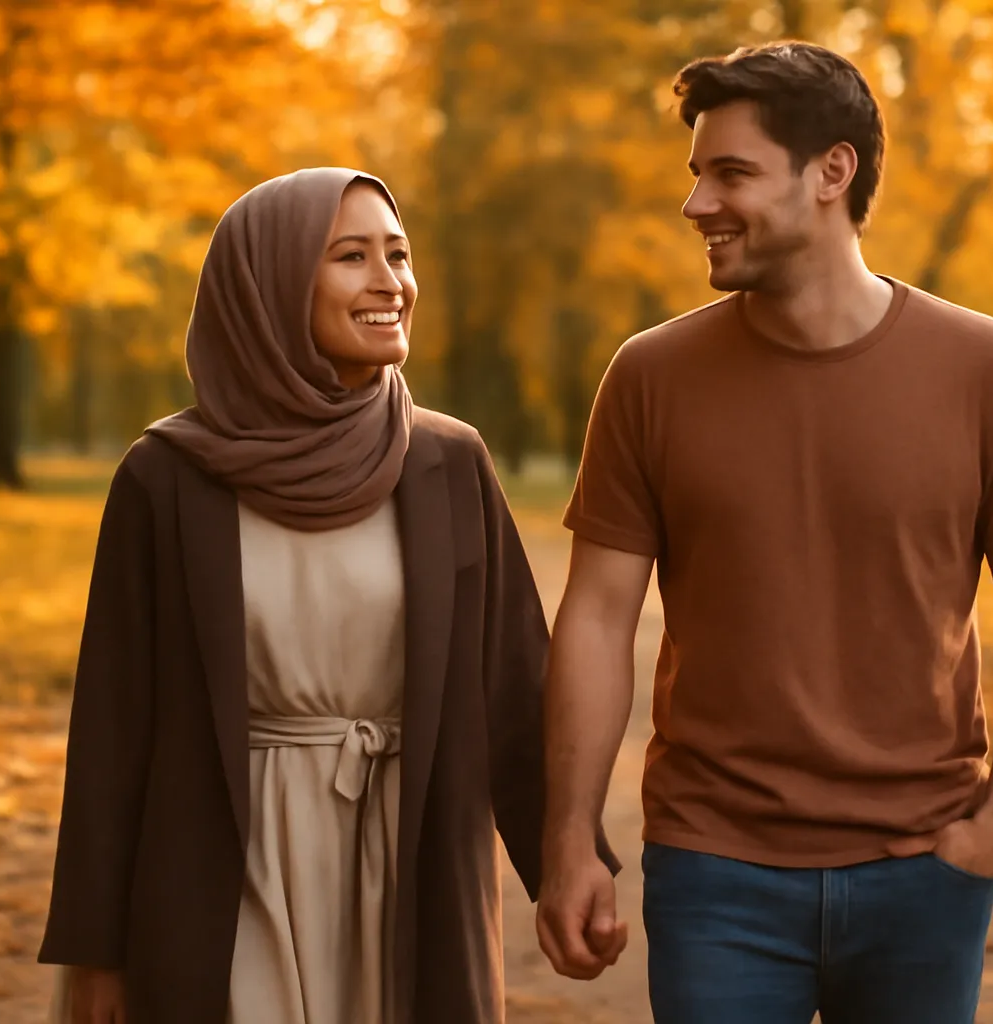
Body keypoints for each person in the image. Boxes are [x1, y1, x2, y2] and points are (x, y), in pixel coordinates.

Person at [536, 42, 993, 1024]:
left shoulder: (990, 369)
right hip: (713, 870)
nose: (697, 203)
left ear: (832, 172)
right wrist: (570, 837)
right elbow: (596, 618)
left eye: (731, 173)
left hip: (924, 871)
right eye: (697, 174)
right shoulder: (649, 378)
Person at [37, 167, 611, 1024]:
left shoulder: (447, 463)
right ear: (267, 284)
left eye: (399, 254)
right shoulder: (165, 479)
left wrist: (570, 865)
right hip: (226, 877)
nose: (390, 282)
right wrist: (95, 953)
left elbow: (517, 696)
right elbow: (112, 733)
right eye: (351, 257)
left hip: (408, 866)